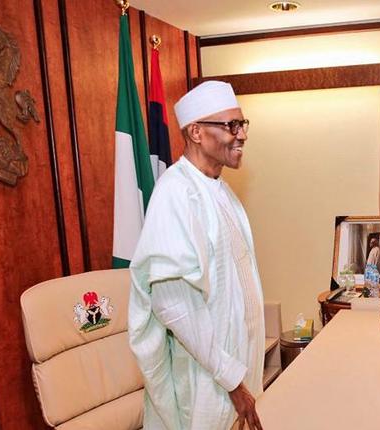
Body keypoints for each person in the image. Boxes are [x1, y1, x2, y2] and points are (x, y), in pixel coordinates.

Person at [128, 81, 264, 430]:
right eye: (231, 125)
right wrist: (231, 380)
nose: (242, 134)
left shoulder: (221, 191)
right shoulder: (176, 192)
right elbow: (175, 305)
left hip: (233, 370)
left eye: (242, 123)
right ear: (197, 132)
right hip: (207, 378)